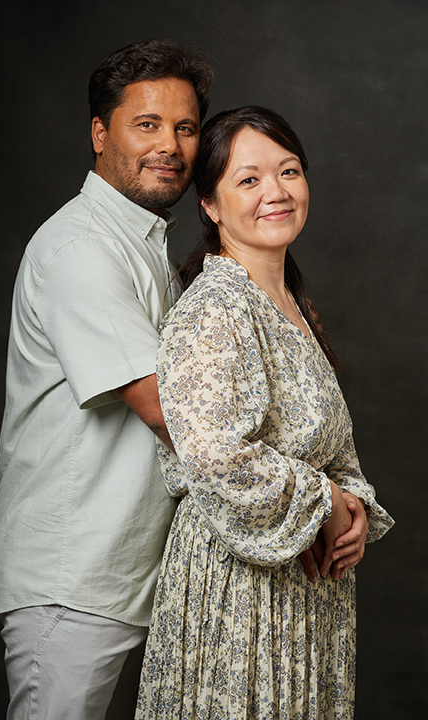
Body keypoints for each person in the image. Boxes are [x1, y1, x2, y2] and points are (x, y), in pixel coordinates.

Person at [135, 106, 394, 719]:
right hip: (238, 594)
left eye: (289, 171)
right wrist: (325, 502)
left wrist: (353, 505)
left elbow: (332, 449)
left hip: (306, 593)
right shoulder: (216, 308)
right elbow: (217, 459)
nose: (276, 192)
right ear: (211, 205)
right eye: (249, 180)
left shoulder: (288, 303)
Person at [0, 40, 214, 720]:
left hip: (128, 574)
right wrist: (305, 497)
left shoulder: (144, 244)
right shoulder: (82, 247)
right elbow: (170, 410)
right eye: (146, 124)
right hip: (73, 577)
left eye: (186, 127)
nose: (169, 145)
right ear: (99, 132)